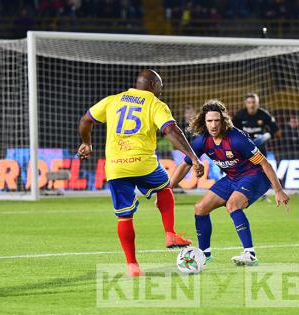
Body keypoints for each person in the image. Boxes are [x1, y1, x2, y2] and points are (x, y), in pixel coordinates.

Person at [77, 69, 204, 276]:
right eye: (160, 87)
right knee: (164, 186)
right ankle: (170, 234)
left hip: (116, 166)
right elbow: (171, 130)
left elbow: (85, 120)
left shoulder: (113, 100)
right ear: (154, 86)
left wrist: (86, 143)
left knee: (124, 217)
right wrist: (194, 157)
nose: (161, 91)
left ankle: (132, 266)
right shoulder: (155, 104)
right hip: (143, 163)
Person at [169, 100, 290, 266]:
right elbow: (184, 165)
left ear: (223, 121)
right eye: (209, 121)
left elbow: (264, 163)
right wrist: (167, 191)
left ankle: (250, 254)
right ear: (204, 122)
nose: (213, 125)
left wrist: (278, 190)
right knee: (200, 208)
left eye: (217, 121)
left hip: (255, 176)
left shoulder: (237, 138)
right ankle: (204, 254)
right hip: (232, 178)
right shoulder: (201, 141)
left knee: (232, 205)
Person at [233, 93, 280, 157]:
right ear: (246, 104)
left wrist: (265, 136)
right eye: (249, 102)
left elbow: (275, 128)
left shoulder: (264, 114)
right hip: (244, 144)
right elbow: (232, 128)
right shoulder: (239, 115)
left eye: (254, 102)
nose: (252, 105)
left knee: (262, 164)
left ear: (258, 103)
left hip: (259, 144)